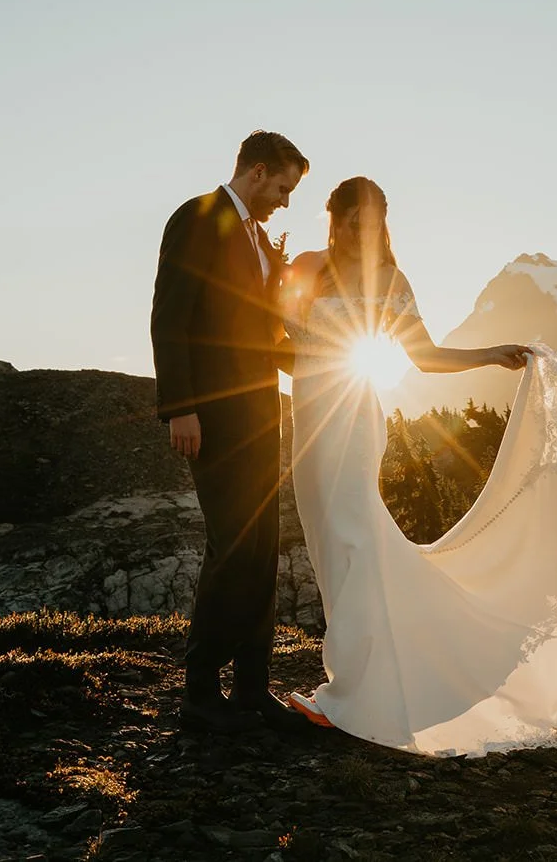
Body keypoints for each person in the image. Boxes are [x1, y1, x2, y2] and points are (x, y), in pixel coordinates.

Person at [280, 177, 557, 756]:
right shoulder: (307, 266)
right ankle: (366, 677)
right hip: (309, 419)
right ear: (333, 219)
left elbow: (424, 358)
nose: (366, 229)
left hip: (355, 420)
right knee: (332, 547)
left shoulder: (391, 281)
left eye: (376, 218)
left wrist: (490, 353)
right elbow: (280, 336)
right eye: (355, 218)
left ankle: (353, 691)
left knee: (356, 541)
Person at [150, 130, 312, 734]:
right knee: (232, 545)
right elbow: (170, 315)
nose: (286, 201)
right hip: (212, 415)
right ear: (257, 171)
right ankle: (199, 690)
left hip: (260, 411)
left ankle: (251, 686)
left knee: (263, 544)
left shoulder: (260, 240)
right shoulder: (197, 218)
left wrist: (319, 364)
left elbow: (261, 333)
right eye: (283, 187)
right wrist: (181, 407)